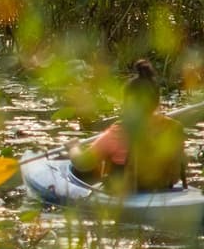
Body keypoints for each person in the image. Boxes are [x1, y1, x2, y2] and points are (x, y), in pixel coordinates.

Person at [70, 59, 187, 193]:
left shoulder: (119, 132)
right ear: (156, 101)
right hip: (164, 189)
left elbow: (82, 163)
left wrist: (73, 148)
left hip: (127, 194)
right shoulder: (173, 127)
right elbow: (182, 162)